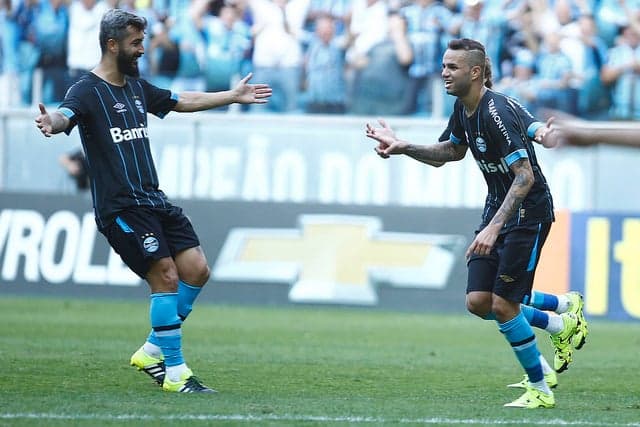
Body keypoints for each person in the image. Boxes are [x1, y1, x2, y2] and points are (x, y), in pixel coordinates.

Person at [34, 8, 272, 393]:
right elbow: (65, 115)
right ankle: (175, 373)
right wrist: (53, 123)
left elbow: (182, 100)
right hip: (121, 209)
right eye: (136, 43)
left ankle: (150, 350)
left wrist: (232, 95)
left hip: (153, 200)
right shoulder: (86, 90)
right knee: (166, 276)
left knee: (196, 270)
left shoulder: (136, 87)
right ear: (112, 45)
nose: (143, 49)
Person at [365, 38, 584, 408]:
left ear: (476, 72)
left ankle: (541, 386)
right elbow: (450, 152)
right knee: (480, 301)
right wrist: (403, 146)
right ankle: (562, 315)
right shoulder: (463, 108)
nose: (444, 72)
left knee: (504, 304)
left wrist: (493, 228)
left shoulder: (495, 112)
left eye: (452, 67)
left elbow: (525, 176)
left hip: (527, 214)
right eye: (444, 65)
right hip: (498, 208)